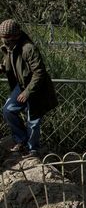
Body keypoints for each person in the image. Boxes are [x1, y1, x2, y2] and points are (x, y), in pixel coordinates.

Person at [0, 19, 58, 157]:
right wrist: (2, 68)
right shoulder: (8, 48)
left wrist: (27, 92)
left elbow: (39, 72)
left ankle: (33, 149)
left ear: (14, 36)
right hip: (20, 86)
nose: (3, 40)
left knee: (32, 120)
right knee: (8, 110)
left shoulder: (28, 48)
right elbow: (11, 64)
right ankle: (21, 140)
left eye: (5, 37)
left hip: (36, 88)